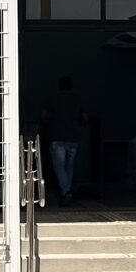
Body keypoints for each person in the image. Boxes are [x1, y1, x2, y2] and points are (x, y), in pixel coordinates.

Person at [41, 76, 88, 205]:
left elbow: (44, 116)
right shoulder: (78, 99)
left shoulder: (52, 98)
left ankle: (66, 191)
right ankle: (67, 190)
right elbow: (85, 118)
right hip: (73, 137)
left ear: (60, 86)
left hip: (57, 136)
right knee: (69, 166)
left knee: (59, 166)